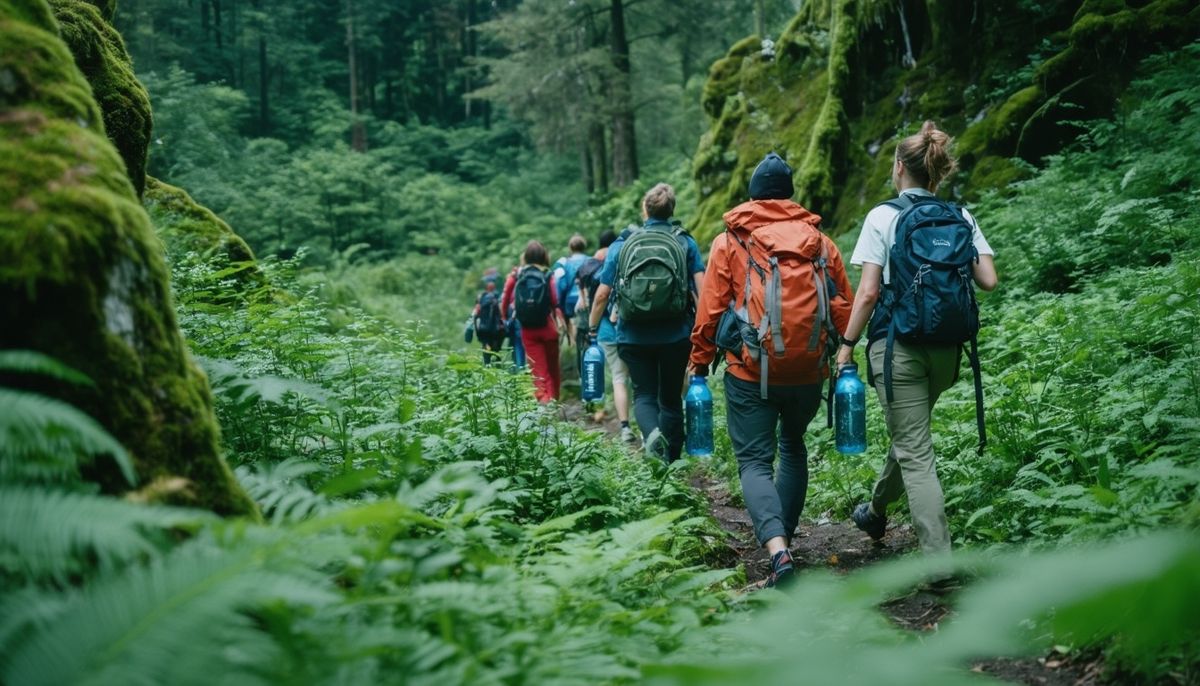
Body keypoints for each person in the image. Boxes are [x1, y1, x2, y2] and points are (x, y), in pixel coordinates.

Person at [690, 152, 854, 587]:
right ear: (790, 195)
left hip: (749, 371)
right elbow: (843, 306)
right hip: (809, 369)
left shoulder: (731, 241)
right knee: (794, 446)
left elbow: (710, 311)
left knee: (754, 461)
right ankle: (785, 539)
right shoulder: (821, 242)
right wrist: (846, 352)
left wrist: (699, 362)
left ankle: (778, 551)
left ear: (753, 195)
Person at [837, 121, 998, 561]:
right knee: (912, 438)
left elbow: (868, 293)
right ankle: (875, 511)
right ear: (937, 172)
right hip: (947, 352)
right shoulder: (961, 217)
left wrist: (847, 345)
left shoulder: (882, 217)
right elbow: (988, 279)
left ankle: (939, 562)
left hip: (899, 350)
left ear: (898, 168)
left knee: (916, 454)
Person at [588, 184, 705, 462]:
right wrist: (703, 331)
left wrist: (592, 327)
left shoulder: (622, 244)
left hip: (634, 335)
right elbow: (703, 292)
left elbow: (602, 294)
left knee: (644, 396)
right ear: (672, 209)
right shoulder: (685, 242)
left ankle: (652, 437)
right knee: (671, 399)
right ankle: (672, 460)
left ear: (645, 209)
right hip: (676, 335)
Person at [576, 228, 636, 444]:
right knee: (641, 380)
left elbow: (600, 297)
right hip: (635, 330)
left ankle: (625, 427)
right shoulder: (631, 260)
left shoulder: (597, 266)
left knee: (619, 377)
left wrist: (592, 327)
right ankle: (649, 426)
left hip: (606, 331)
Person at [503, 241, 566, 403]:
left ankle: (543, 400)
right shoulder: (548, 275)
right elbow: (555, 301)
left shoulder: (517, 275)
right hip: (548, 327)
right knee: (553, 368)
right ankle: (554, 400)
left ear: (525, 256)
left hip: (528, 330)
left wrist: (504, 317)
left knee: (538, 371)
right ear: (544, 256)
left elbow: (505, 299)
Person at [553, 234, 590, 353]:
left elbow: (562, 285)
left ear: (570, 247)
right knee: (587, 325)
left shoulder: (565, 263)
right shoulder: (590, 260)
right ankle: (586, 349)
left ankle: (573, 348)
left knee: (572, 323)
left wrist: (559, 303)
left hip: (570, 300)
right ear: (584, 246)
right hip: (586, 299)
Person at [472, 272, 506, 366]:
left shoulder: (481, 297)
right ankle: (497, 367)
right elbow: (501, 312)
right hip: (496, 329)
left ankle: (487, 366)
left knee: (486, 348)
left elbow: (476, 313)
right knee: (497, 349)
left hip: (484, 329)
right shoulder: (497, 296)